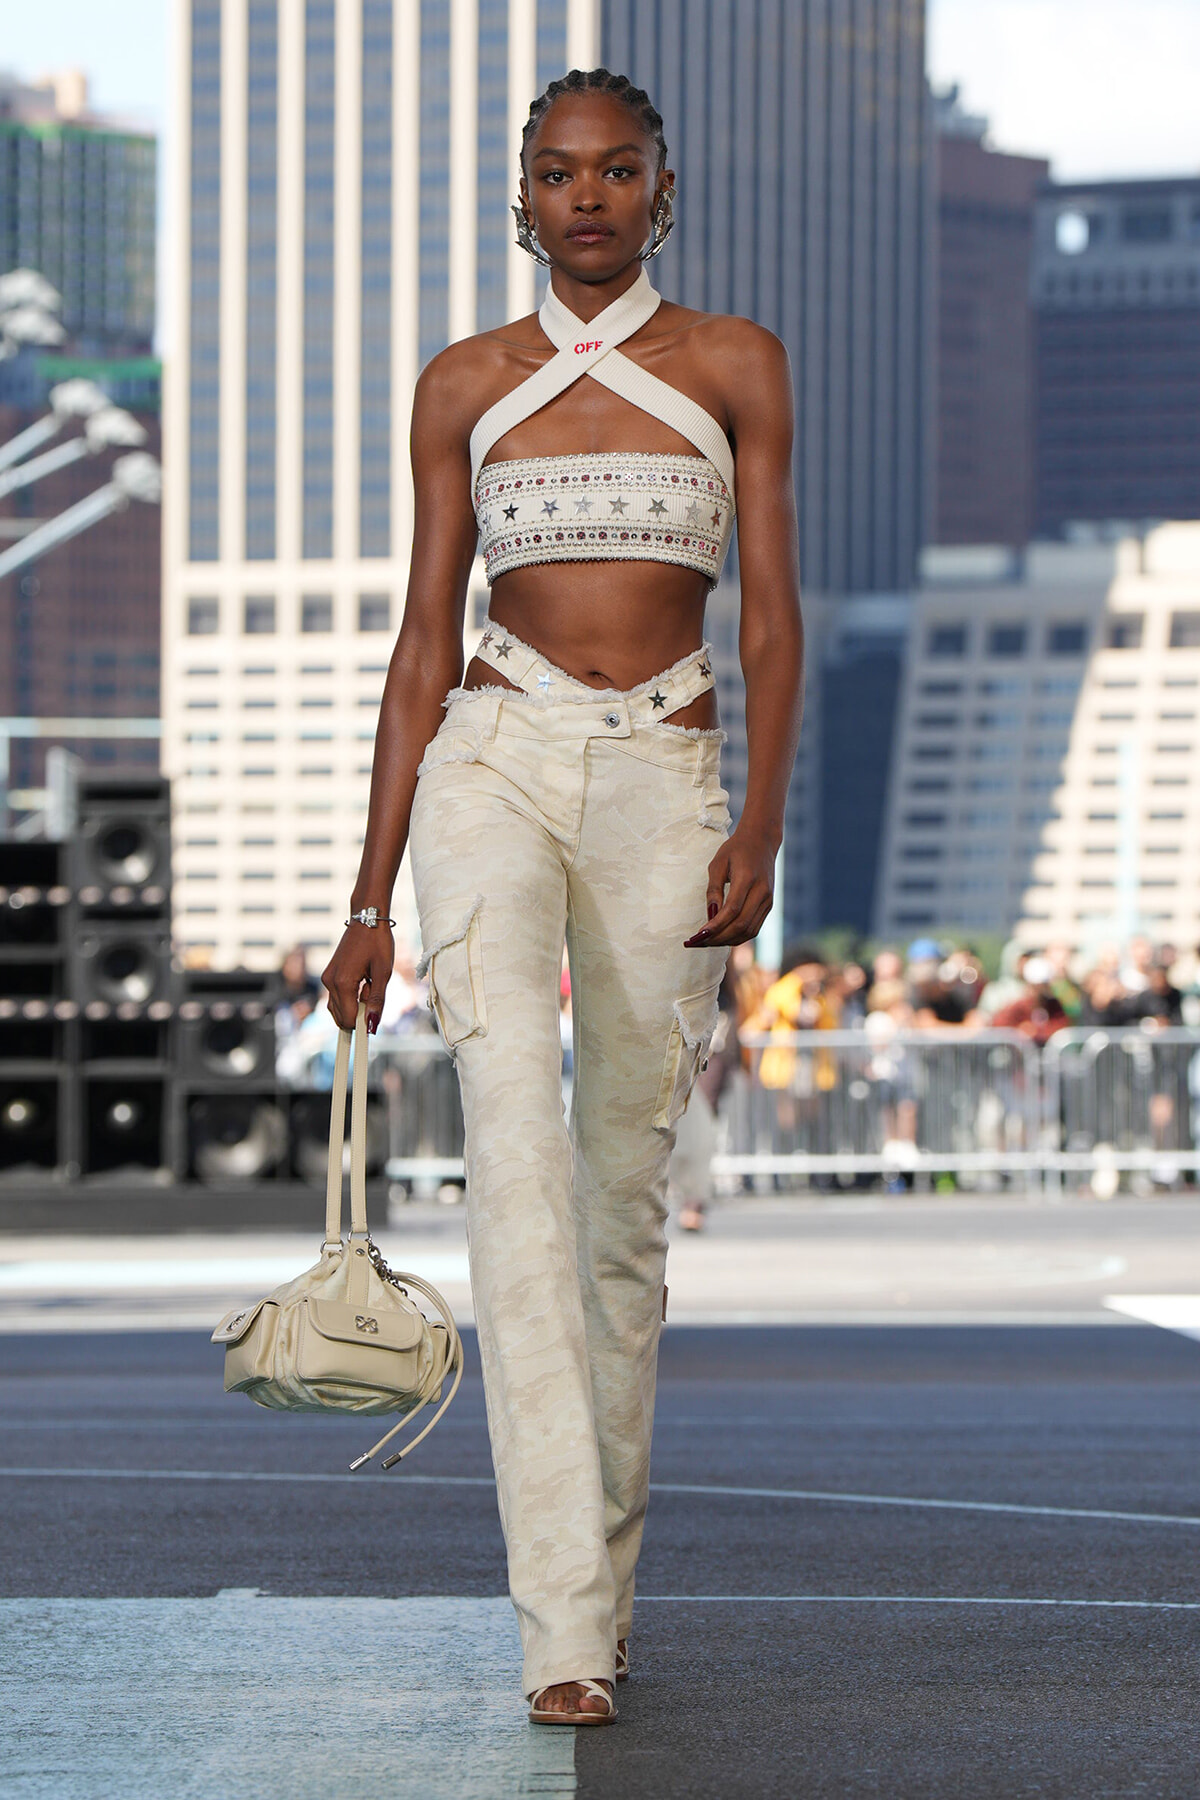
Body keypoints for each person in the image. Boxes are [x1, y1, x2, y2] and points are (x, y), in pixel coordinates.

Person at [322, 68, 803, 1726]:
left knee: (617, 1211)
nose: (585, 197)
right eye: (555, 173)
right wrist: (369, 897)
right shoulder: (464, 383)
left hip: (668, 780)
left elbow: (771, 621)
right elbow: (417, 641)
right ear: (518, 197)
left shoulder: (737, 364)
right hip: (492, 762)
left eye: (615, 172)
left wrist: (764, 823)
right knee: (514, 1162)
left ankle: (600, 1583)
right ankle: (560, 1635)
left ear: (661, 191)